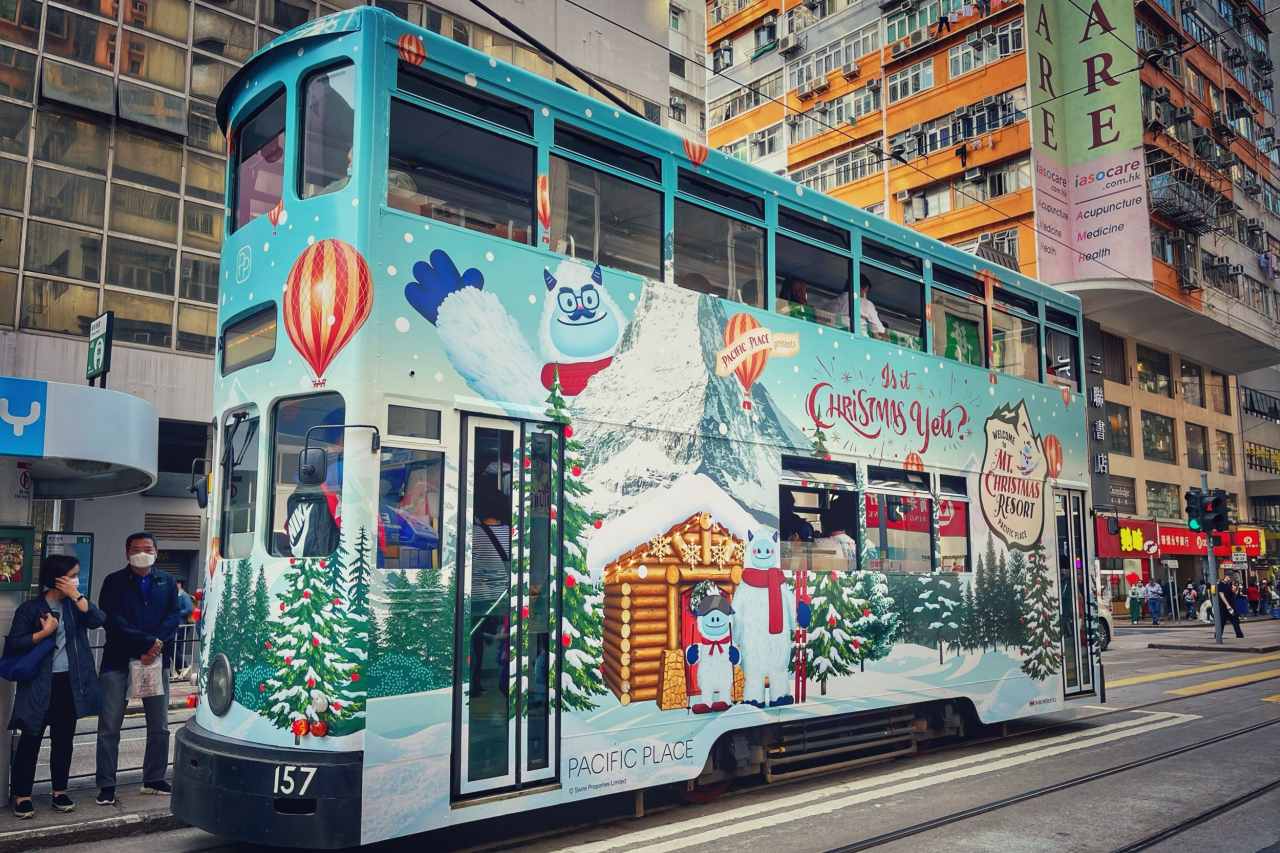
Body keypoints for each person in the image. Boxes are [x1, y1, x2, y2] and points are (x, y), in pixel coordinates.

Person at [5, 555, 104, 818]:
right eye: (72, 575)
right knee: (30, 739)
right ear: (56, 578)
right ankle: (22, 795)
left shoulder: (74, 607)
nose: (76, 580)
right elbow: (14, 644)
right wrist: (44, 633)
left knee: (63, 740)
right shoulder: (30, 609)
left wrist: (77, 596)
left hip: (68, 684)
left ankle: (59, 791)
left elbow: (98, 619)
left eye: (76, 575)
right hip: (38, 684)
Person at [95, 532, 181, 805]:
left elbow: (173, 616)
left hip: (155, 662)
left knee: (160, 725)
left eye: (148, 548)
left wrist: (156, 646)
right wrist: (147, 643)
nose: (142, 552)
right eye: (136, 548)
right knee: (109, 726)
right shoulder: (114, 581)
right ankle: (107, 784)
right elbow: (113, 620)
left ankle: (154, 778)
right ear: (126, 552)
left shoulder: (166, 581)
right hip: (118, 660)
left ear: (156, 552)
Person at [174, 580, 194, 674]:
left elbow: (189, 609)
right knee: (175, 648)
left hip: (181, 626)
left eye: (176, 583)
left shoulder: (184, 595)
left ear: (180, 584)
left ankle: (183, 667)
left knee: (174, 648)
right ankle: (180, 670)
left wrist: (177, 613)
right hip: (177, 625)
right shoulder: (177, 595)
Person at [1216, 574, 1245, 639]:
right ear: (1225, 577)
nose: (1230, 579)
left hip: (1231, 606)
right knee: (1222, 622)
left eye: (1231, 578)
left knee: (1235, 620)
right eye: (1229, 577)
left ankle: (1239, 635)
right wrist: (1227, 605)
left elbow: (1234, 593)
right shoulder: (1221, 584)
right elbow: (1221, 595)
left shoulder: (1229, 584)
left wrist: (1237, 588)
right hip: (1224, 607)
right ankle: (1217, 635)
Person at [859, 276, 888, 340]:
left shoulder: (837, 300)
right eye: (866, 292)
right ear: (865, 289)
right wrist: (885, 335)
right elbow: (879, 329)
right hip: (860, 341)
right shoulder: (866, 303)